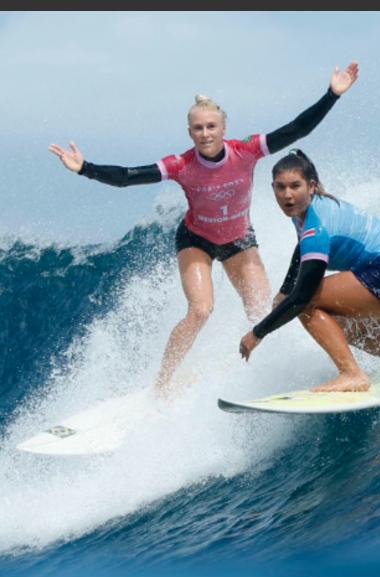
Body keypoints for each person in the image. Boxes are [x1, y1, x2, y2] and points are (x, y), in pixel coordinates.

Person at [48, 62, 360, 397]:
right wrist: (85, 169)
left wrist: (332, 95)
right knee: (200, 310)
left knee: (263, 313)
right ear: (190, 133)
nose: (205, 133)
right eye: (198, 128)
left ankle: (261, 375)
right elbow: (127, 177)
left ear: (224, 128)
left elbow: (297, 129)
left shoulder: (248, 151)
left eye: (211, 126)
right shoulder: (180, 165)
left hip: (239, 240)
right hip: (196, 239)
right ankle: (162, 384)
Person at [238, 150, 380, 393]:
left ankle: (352, 374)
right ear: (272, 188)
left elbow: (302, 296)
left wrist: (257, 333)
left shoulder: (316, 226)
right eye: (280, 187)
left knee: (306, 305)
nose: (287, 195)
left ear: (311, 186)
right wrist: (285, 290)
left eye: (295, 186)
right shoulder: (307, 210)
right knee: (336, 326)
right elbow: (301, 251)